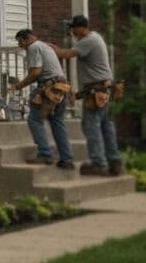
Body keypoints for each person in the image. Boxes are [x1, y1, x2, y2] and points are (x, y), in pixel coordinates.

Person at [52, 15, 124, 177]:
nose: (73, 33)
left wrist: (52, 49)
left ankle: (98, 163)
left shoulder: (88, 40)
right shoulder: (96, 37)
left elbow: (67, 54)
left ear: (81, 27)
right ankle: (114, 161)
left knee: (91, 126)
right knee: (106, 127)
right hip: (103, 90)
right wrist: (78, 94)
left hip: (96, 91)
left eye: (74, 29)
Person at [9, 29, 75, 169]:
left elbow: (35, 72)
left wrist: (18, 86)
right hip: (62, 88)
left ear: (26, 39)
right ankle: (67, 159)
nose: (20, 46)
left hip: (49, 88)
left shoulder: (33, 47)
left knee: (34, 120)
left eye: (20, 42)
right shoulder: (45, 46)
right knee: (57, 122)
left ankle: (45, 154)